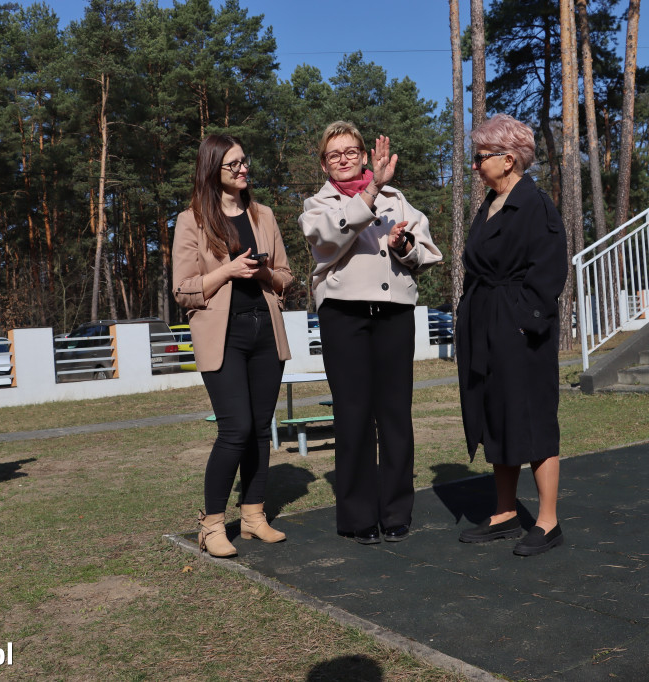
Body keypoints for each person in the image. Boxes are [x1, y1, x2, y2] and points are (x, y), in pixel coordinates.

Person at [299, 121, 442, 544]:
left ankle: (396, 512)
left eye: (351, 152)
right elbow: (326, 240)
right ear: (324, 164)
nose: (343, 159)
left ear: (364, 155)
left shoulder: (397, 200)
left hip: (394, 314)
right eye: (334, 154)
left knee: (395, 414)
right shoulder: (317, 205)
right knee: (354, 414)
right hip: (344, 316)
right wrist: (370, 192)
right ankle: (358, 517)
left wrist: (403, 246)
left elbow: (426, 253)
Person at [172, 133, 293, 558]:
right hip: (223, 337)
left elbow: (285, 277)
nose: (244, 169)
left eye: (245, 161)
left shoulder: (264, 215)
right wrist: (228, 270)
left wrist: (263, 274)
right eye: (234, 164)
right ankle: (210, 525)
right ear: (213, 170)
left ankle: (254, 516)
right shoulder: (191, 220)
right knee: (235, 429)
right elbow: (184, 290)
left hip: (266, 332)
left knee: (260, 428)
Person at [456, 114, 569, 556]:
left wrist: (525, 322)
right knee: (497, 414)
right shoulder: (489, 204)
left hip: (521, 329)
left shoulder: (535, 204)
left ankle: (547, 521)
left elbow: (549, 269)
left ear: (508, 159)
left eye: (481, 156)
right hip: (485, 323)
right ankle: (505, 513)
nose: (475, 165)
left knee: (532, 416)